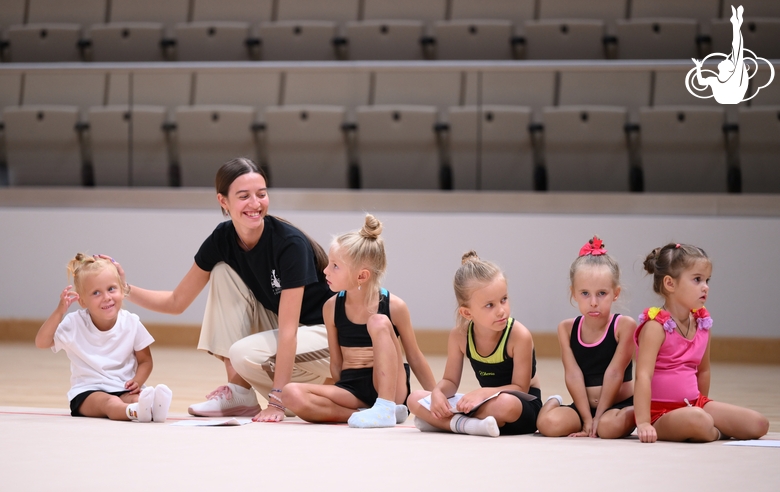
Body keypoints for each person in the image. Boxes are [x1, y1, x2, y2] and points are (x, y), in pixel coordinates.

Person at [111, 157, 333, 422]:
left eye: (261, 194)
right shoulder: (223, 238)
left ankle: (304, 394)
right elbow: (176, 302)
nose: (255, 204)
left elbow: (288, 332)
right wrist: (121, 289)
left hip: (325, 335)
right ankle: (240, 394)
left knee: (243, 353)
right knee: (222, 272)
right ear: (223, 201)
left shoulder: (289, 244)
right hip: (293, 335)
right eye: (244, 196)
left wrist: (276, 400)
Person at [283, 215, 436, 427]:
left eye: (335, 266)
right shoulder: (331, 307)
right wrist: (334, 394)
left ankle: (385, 406)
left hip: (391, 388)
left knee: (379, 322)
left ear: (361, 276)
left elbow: (415, 357)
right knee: (290, 394)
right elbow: (337, 363)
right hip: (351, 388)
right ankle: (362, 413)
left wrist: (437, 397)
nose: (326, 270)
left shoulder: (394, 306)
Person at [635, 243, 769, 443]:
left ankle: (705, 428)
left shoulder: (703, 323)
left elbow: (703, 370)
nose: (705, 287)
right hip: (660, 414)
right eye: (697, 279)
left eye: (707, 280)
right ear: (670, 284)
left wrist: (701, 407)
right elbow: (643, 376)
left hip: (694, 405)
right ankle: (712, 431)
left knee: (759, 424)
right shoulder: (656, 326)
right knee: (699, 420)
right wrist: (644, 423)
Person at [407, 251, 542, 437]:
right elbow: (451, 382)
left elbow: (521, 388)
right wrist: (438, 393)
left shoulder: (519, 335)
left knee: (504, 404)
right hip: (483, 403)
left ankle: (449, 424)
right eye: (490, 305)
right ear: (467, 313)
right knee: (414, 399)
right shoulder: (459, 336)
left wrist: (482, 393)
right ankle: (470, 425)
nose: (501, 310)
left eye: (504, 299)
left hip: (519, 407)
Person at [35, 253, 172, 422]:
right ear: (82, 301)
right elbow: (42, 342)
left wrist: (138, 381)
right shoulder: (74, 323)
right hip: (88, 393)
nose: (106, 297)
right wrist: (59, 312)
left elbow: (145, 361)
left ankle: (152, 410)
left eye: (111, 289)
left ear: (122, 291)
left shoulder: (131, 322)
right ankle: (135, 412)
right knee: (110, 402)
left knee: (137, 398)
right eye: (96, 293)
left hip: (123, 388)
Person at [536, 236, 636, 438]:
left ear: (615, 293)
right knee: (548, 424)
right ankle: (554, 401)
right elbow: (573, 375)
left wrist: (598, 418)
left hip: (617, 405)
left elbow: (614, 373)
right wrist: (586, 419)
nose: (593, 302)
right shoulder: (567, 329)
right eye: (585, 293)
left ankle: (639, 411)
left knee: (608, 428)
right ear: (573, 293)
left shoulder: (624, 326)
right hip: (583, 406)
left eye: (601, 293)